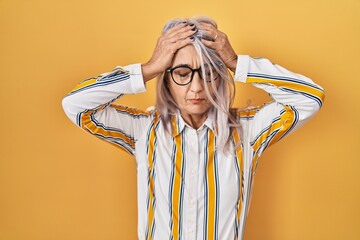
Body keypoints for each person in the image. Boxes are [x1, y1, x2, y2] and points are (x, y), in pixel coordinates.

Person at [62, 16, 325, 240]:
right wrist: (150, 67)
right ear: (166, 78)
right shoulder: (145, 131)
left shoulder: (248, 131)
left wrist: (236, 62)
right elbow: (76, 105)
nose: (196, 88)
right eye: (182, 73)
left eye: (208, 72)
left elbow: (310, 98)